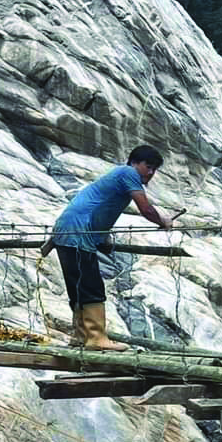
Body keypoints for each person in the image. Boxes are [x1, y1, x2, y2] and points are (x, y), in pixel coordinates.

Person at [42, 145, 172, 350]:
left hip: (66, 232)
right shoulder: (128, 173)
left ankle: (81, 336)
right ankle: (96, 338)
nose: (151, 172)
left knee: (78, 287)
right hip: (78, 233)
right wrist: (162, 220)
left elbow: (99, 208)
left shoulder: (118, 175)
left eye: (154, 168)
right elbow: (145, 208)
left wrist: (103, 238)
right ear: (135, 162)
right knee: (91, 286)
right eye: (148, 166)